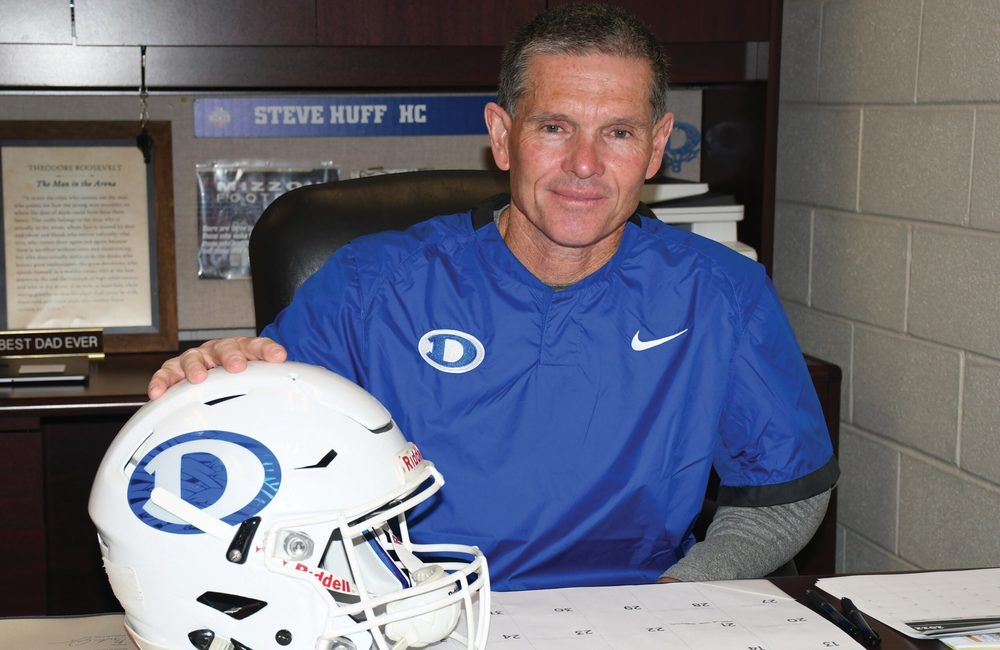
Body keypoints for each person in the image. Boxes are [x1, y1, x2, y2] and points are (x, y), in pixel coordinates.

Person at [149, 2, 838, 590]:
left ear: (656, 148)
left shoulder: (722, 292)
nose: (585, 166)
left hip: (634, 613)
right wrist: (206, 400)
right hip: (417, 615)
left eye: (619, 133)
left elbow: (784, 495)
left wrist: (676, 598)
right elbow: (250, 460)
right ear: (504, 136)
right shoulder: (373, 287)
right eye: (554, 127)